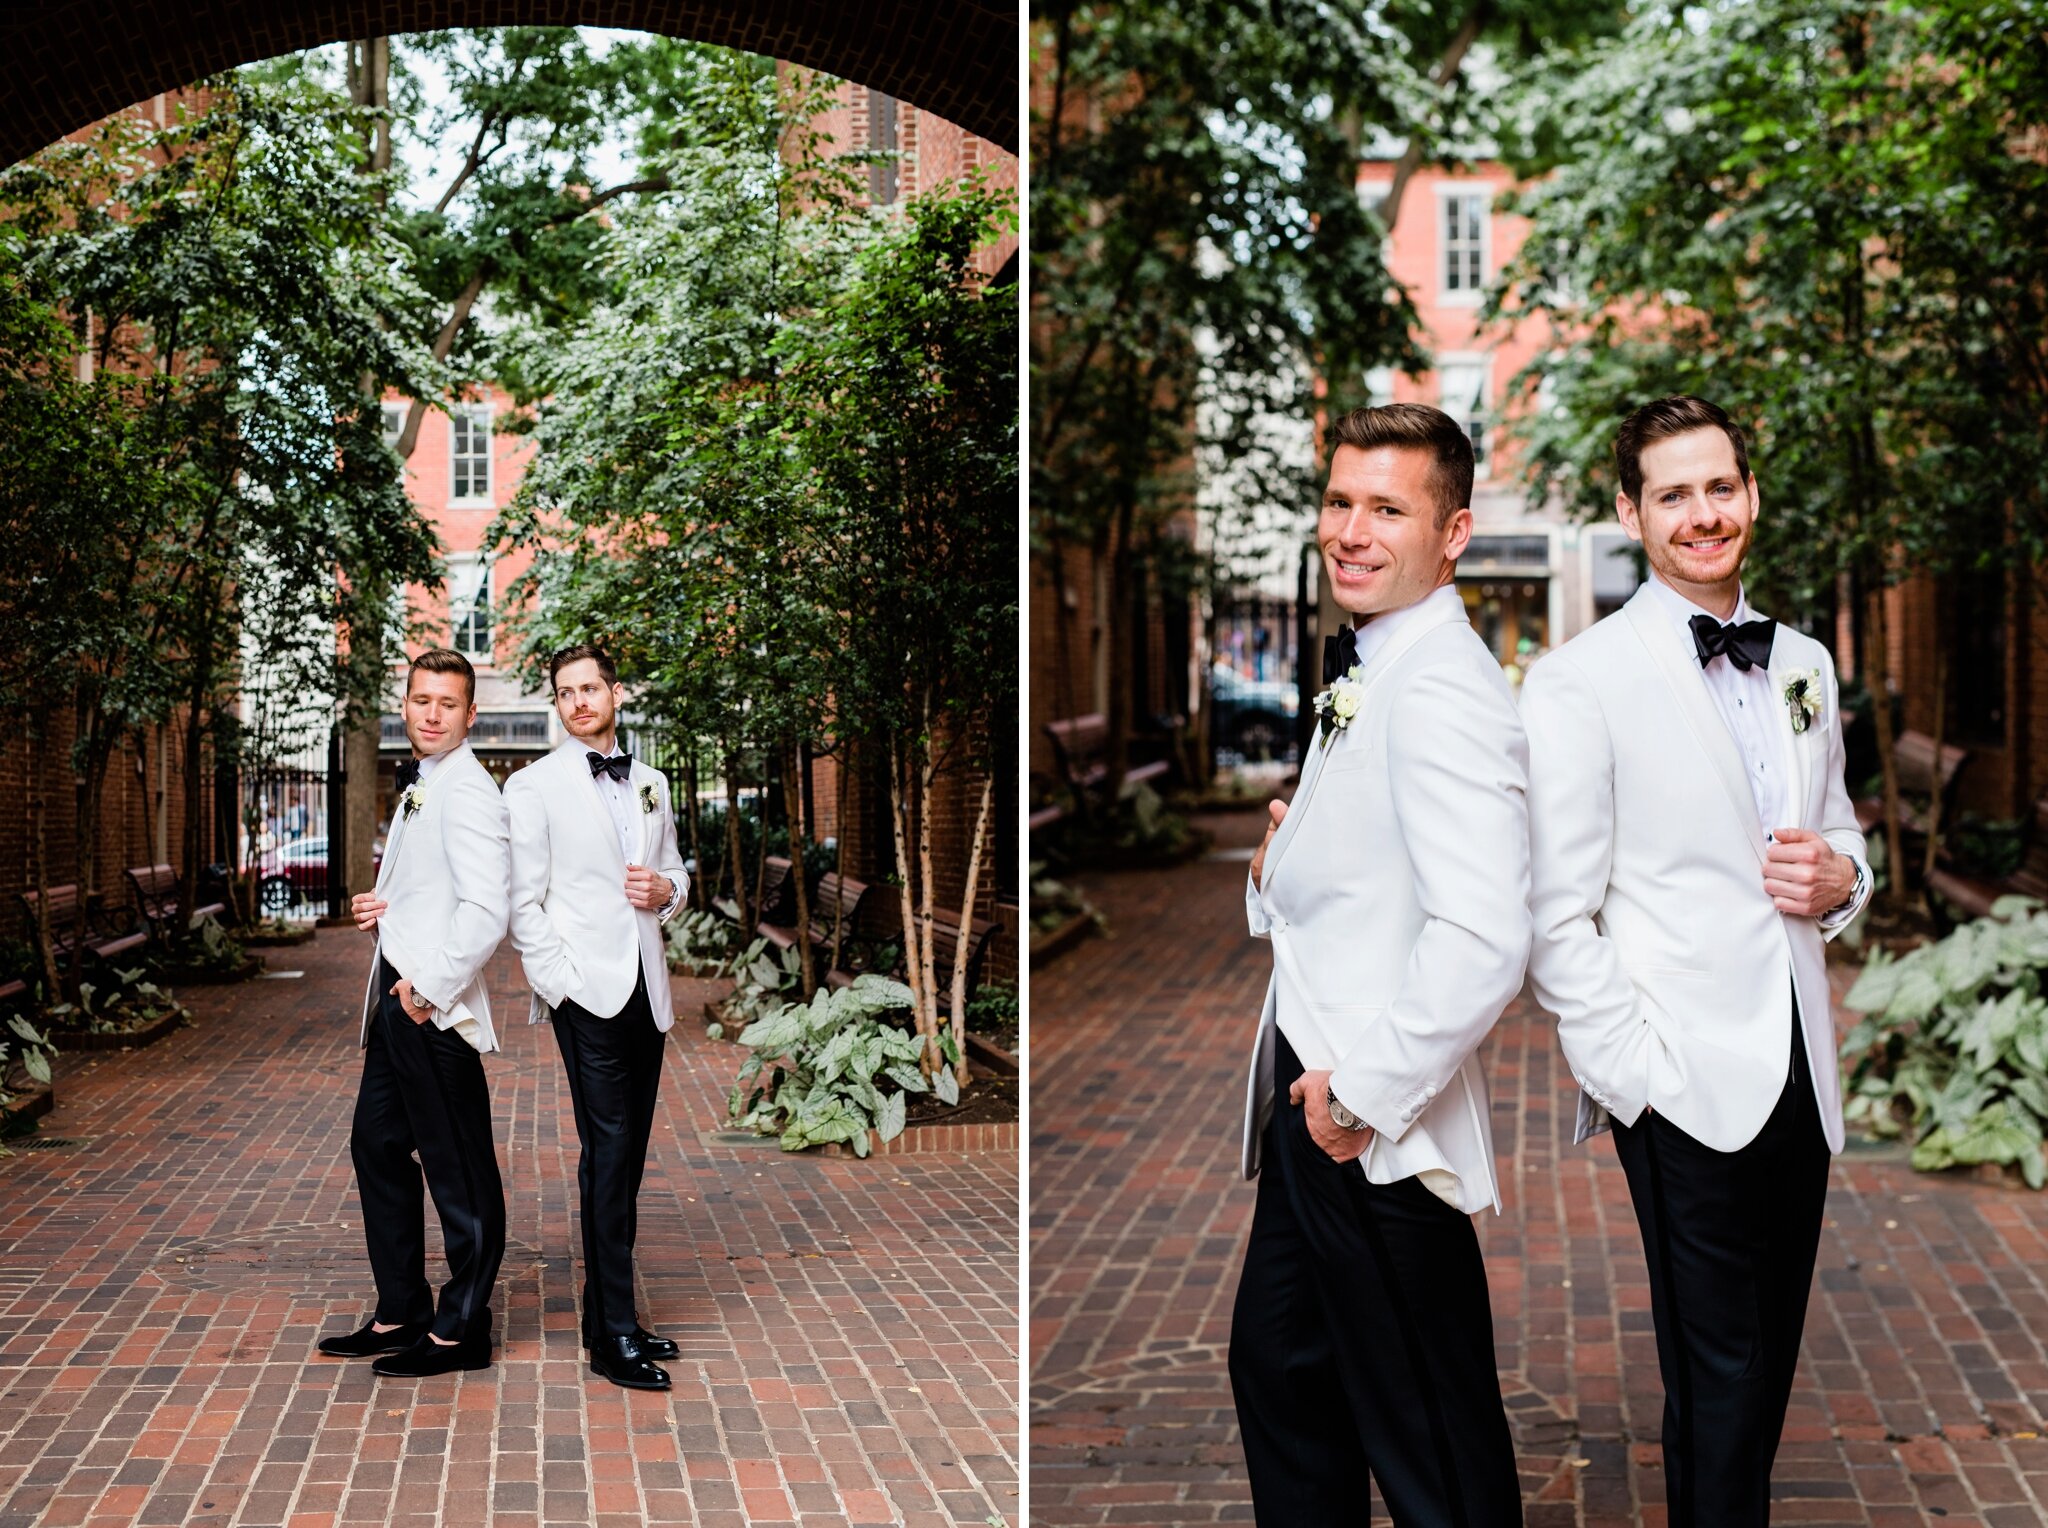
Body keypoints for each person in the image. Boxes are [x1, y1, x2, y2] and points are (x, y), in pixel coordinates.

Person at [1522, 395, 1871, 1525]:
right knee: (1716, 1364)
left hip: (1796, 1066)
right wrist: (1631, 1074)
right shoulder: (1581, 678)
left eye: (1718, 486)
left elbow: (1842, 831)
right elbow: (1553, 912)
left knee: (1759, 1362)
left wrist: (1845, 880)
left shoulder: (1803, 661)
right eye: (1671, 493)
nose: (1701, 513)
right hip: (1676, 1078)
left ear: (1750, 496)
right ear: (1630, 512)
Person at [1230, 402, 1530, 1526]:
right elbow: (1338, 888)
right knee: (1280, 1369)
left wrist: (1352, 1097)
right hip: (1313, 1105)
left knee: (1427, 1434)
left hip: (1365, 1118)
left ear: (1450, 533)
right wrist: (1274, 861)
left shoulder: (1442, 686)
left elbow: (1483, 934)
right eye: (1339, 501)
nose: (1350, 531)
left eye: (1386, 509)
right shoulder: (1376, 664)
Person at [317, 648, 511, 1377]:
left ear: (469, 714)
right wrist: (384, 909)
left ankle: (463, 1329)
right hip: (400, 1000)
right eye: (421, 700)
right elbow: (438, 891)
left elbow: (487, 911)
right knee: (376, 1146)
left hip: (432, 1008)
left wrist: (426, 991)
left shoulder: (468, 791)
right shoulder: (426, 784)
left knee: (458, 1169)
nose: (432, 714)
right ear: (405, 703)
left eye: (448, 704)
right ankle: (402, 1307)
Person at [504, 643, 690, 1391]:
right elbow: (525, 903)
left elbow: (676, 871)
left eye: (590, 688)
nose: (578, 701)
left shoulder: (652, 782)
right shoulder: (533, 786)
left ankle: (609, 1314)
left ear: (616, 693)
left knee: (627, 1156)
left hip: (648, 989)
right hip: (588, 994)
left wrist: (665, 894)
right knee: (609, 1153)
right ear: (557, 703)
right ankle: (613, 1336)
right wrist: (563, 985)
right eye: (565, 692)